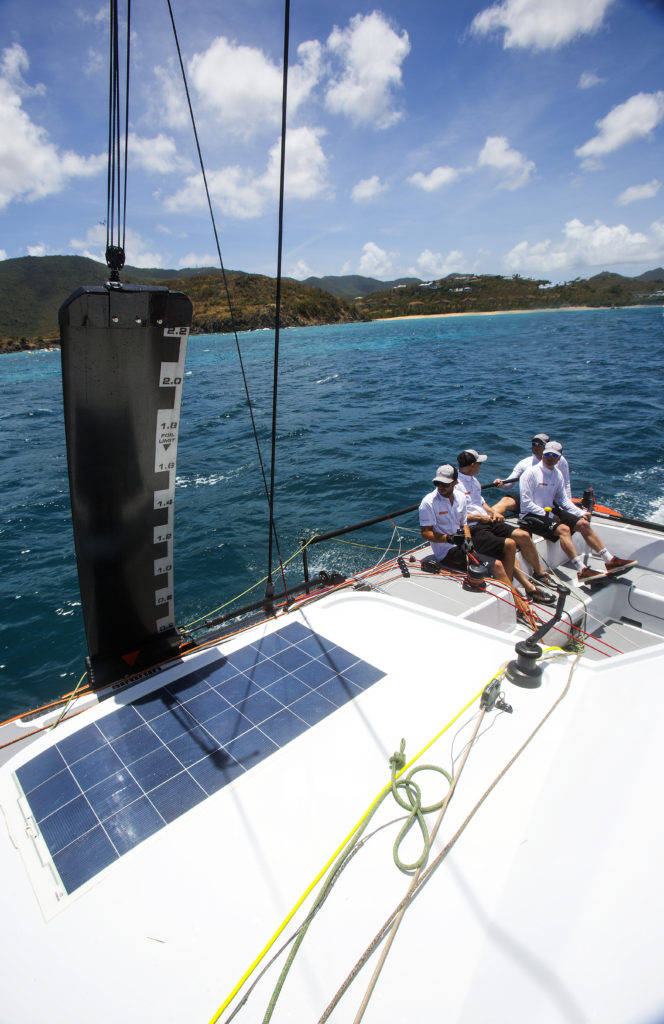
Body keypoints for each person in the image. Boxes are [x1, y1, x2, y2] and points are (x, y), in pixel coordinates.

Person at [419, 464, 536, 625]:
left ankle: (506, 593)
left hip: (462, 544)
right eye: (437, 483)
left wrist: (468, 542)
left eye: (445, 484)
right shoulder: (428, 503)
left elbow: (464, 525)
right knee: (498, 566)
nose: (440, 487)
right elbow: (426, 533)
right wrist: (449, 539)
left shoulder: (460, 498)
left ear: (455, 483)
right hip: (447, 551)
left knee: (509, 545)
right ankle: (518, 605)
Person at [519, 443, 636, 583]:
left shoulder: (557, 474)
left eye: (554, 455)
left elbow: (563, 500)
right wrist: (549, 515)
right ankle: (582, 570)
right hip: (530, 515)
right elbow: (526, 503)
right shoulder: (530, 473)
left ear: (559, 459)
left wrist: (579, 512)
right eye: (548, 454)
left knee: (583, 524)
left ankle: (609, 560)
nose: (550, 458)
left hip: (550, 510)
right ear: (543, 455)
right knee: (564, 529)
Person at [455, 448, 555, 604]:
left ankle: (539, 574)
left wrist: (492, 513)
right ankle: (512, 592)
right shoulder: (456, 487)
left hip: (486, 521)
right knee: (509, 545)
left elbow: (481, 503)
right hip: (473, 527)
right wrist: (481, 517)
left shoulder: (474, 482)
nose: (481, 466)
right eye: (480, 463)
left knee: (523, 535)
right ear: (473, 465)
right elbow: (457, 516)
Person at [490, 432, 549, 516]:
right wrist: (501, 483)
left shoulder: (556, 462)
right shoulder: (524, 463)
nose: (536, 446)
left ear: (547, 446)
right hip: (527, 499)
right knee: (505, 501)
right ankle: (486, 521)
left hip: (547, 500)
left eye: (540, 444)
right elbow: (508, 484)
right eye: (534, 444)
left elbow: (565, 485)